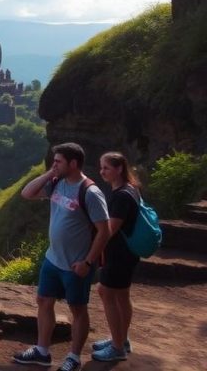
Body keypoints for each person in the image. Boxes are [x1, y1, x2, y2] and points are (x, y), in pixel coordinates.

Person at [12, 142, 110, 371]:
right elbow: (27, 193)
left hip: (76, 264)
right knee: (44, 302)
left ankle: (74, 357)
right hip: (52, 259)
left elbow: (104, 231)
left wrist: (87, 262)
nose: (53, 164)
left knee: (77, 310)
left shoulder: (91, 193)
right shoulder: (57, 184)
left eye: (58, 162)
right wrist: (50, 173)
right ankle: (42, 351)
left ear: (73, 164)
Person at [90, 151, 142, 361]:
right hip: (127, 253)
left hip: (119, 255)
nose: (102, 171)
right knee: (121, 295)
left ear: (119, 169)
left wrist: (92, 251)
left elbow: (110, 230)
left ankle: (117, 348)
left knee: (106, 292)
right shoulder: (131, 189)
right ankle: (120, 338)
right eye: (101, 167)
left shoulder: (121, 196)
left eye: (106, 168)